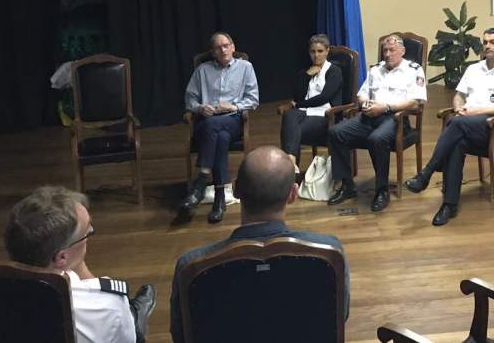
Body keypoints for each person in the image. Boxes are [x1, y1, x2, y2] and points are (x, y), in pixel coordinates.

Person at [170, 146, 349, 343]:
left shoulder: (191, 266)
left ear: (236, 189)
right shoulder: (330, 253)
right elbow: (338, 317)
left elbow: (183, 336)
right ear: (293, 194)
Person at [4, 186, 156, 343]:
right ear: (61, 258)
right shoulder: (106, 306)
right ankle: (135, 317)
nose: (90, 231)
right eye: (87, 233)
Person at [404, 28, 494, 225]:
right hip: (465, 123)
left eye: (492, 42)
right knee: (456, 140)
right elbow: (459, 96)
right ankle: (449, 205)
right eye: (485, 42)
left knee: (456, 125)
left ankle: (427, 173)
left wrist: (473, 112)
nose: (487, 46)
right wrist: (458, 108)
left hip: (492, 126)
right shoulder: (474, 69)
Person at [326, 33, 427, 212]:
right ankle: (347, 186)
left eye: (392, 50)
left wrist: (385, 107)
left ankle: (382, 190)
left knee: (376, 139)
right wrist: (365, 103)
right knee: (336, 132)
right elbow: (361, 93)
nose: (387, 54)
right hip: (369, 116)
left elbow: (415, 102)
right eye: (385, 50)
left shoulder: (414, 70)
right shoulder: (376, 69)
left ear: (402, 51)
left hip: (396, 118)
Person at [181, 31, 259, 223]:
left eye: (226, 45)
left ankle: (201, 182)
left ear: (233, 48)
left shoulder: (245, 67)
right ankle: (219, 198)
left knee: (217, 129)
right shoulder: (202, 70)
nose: (223, 50)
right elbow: (189, 99)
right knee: (219, 136)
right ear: (213, 52)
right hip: (205, 122)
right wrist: (200, 107)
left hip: (232, 119)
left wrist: (234, 106)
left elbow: (253, 99)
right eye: (218, 47)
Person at [280, 34, 343, 173]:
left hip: (325, 115)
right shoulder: (306, 71)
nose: (316, 55)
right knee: (289, 116)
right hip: (305, 113)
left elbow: (324, 97)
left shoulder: (334, 71)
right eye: (312, 51)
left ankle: (288, 170)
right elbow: (297, 95)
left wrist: (298, 105)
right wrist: (307, 75)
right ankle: (291, 162)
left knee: (291, 130)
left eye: (320, 51)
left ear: (327, 51)